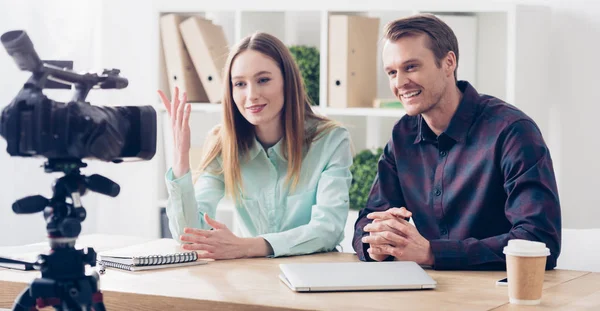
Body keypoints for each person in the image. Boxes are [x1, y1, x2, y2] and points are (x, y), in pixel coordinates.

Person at [353, 14, 561, 270]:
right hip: (428, 290)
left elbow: (540, 241)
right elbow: (368, 219)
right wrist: (377, 242)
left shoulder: (512, 132)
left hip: (501, 294)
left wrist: (432, 253)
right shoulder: (402, 135)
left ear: (448, 63)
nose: (399, 83)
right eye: (392, 72)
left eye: (411, 67)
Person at [158, 32, 353, 260]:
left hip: (313, 275)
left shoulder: (331, 140)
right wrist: (180, 159)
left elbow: (328, 229)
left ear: (287, 82)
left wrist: (248, 246)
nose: (251, 95)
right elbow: (189, 237)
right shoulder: (224, 143)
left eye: (263, 80)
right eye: (240, 84)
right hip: (252, 278)